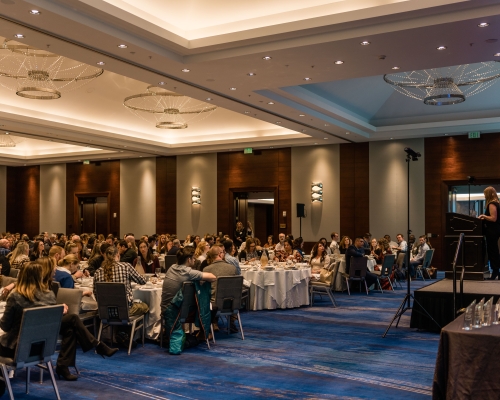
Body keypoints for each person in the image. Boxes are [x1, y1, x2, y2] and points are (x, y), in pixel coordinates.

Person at [0, 262, 118, 383]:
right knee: (71, 327)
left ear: (22, 276)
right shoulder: (49, 295)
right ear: (40, 276)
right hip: (43, 348)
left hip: (18, 349)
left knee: (72, 321)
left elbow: (5, 326)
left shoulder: (15, 296)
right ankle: (64, 365)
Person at [94, 246, 148, 317]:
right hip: (125, 311)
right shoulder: (126, 267)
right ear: (118, 255)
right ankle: (139, 328)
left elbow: (95, 293)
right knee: (145, 306)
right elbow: (142, 281)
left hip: (105, 313)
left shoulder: (98, 272)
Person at [160, 247, 216, 313]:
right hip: (175, 311)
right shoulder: (187, 272)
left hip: (165, 307)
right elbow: (213, 277)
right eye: (194, 258)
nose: (195, 260)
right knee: (202, 305)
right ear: (189, 260)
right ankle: (208, 322)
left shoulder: (171, 267)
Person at [479, 187, 500, 280]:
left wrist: (483, 216)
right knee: (494, 251)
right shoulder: (497, 203)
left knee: (492, 251)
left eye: (485, 195)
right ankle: (497, 272)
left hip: (492, 231)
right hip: (496, 230)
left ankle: (495, 271)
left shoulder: (491, 204)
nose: (484, 196)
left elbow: (493, 218)